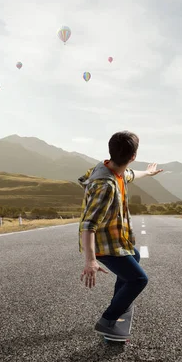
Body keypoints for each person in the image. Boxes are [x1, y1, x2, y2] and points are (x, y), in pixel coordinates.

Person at [77, 130, 163, 338]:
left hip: (114, 238)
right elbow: (88, 225)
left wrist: (148, 173)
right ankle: (107, 321)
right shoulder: (105, 186)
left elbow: (130, 175)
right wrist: (90, 261)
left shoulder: (108, 167)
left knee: (135, 256)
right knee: (139, 280)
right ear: (132, 156)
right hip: (102, 244)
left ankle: (120, 303)